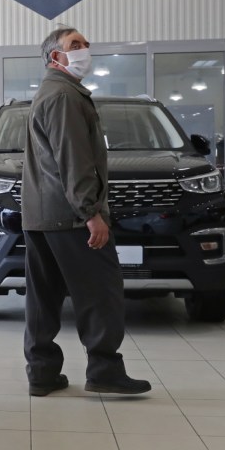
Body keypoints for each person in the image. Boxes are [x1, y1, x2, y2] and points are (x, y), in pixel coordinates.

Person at [22, 27, 151, 397]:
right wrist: (91, 212)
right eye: (74, 46)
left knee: (43, 298)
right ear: (55, 58)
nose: (84, 50)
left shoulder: (51, 93)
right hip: (70, 215)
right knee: (100, 291)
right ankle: (105, 371)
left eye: (85, 44)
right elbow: (74, 161)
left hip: (42, 214)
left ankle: (42, 373)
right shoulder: (64, 96)